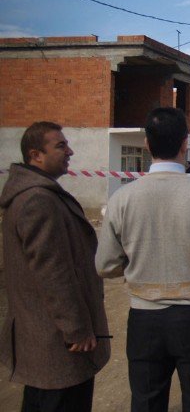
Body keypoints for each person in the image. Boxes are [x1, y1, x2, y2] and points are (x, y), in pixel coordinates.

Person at [96, 108, 190, 412]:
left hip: (145, 318)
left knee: (147, 401)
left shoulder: (122, 199)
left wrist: (138, 262)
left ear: (148, 145)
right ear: (184, 144)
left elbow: (105, 266)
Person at [0, 121, 111, 412]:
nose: (70, 151)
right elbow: (53, 273)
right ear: (36, 154)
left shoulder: (37, 194)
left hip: (46, 339)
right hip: (58, 343)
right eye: (60, 146)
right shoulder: (38, 200)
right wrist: (76, 329)